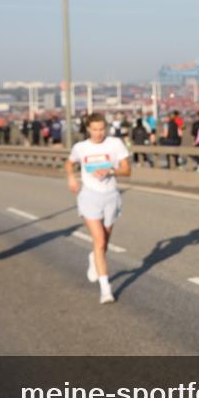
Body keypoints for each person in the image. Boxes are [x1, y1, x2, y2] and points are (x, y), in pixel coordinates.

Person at [65, 112, 131, 304]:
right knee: (100, 240)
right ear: (88, 129)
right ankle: (106, 290)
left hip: (111, 196)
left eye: (102, 129)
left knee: (103, 244)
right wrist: (71, 177)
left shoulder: (115, 144)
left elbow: (127, 170)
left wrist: (111, 170)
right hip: (89, 197)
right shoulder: (81, 147)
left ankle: (94, 257)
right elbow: (69, 163)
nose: (98, 133)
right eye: (94, 129)